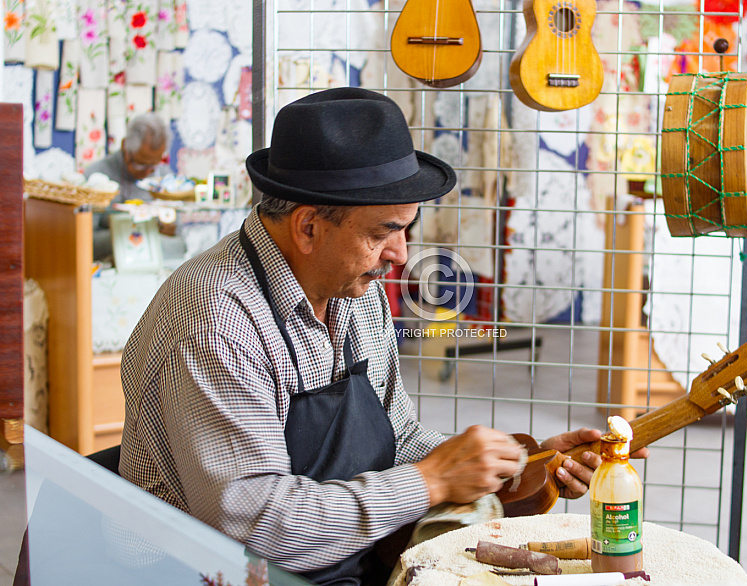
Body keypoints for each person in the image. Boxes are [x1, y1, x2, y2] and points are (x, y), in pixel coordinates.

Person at [118, 88, 644, 585]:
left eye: (405, 229)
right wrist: (432, 481)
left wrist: (519, 465)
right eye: (381, 232)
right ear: (307, 228)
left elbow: (398, 440)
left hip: (337, 564)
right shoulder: (214, 320)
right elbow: (258, 528)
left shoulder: (353, 290)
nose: (399, 254)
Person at [85, 113, 174, 260]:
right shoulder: (97, 177)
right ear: (124, 147)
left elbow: (179, 243)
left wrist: (167, 228)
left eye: (153, 165)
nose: (148, 172)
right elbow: (86, 242)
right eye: (140, 165)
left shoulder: (165, 177)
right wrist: (143, 233)